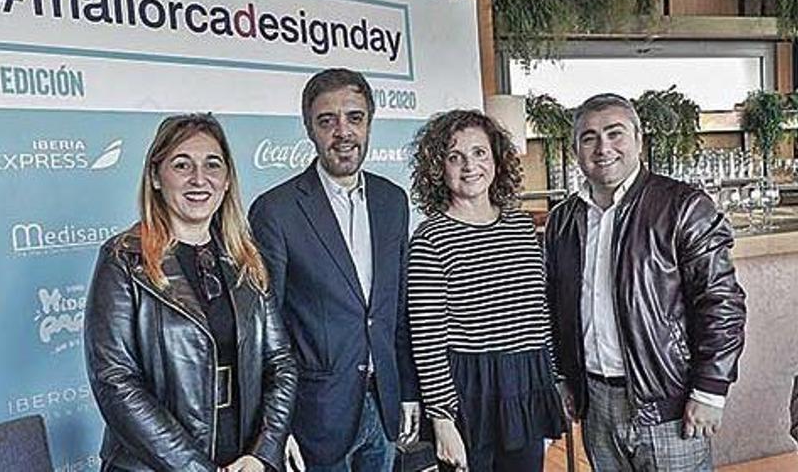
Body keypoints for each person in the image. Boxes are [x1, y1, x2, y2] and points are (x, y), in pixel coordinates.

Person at [545, 93, 747, 471]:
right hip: (596, 402)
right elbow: (553, 308)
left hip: (669, 402)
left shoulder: (683, 206)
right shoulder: (562, 220)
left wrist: (710, 389)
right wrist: (562, 377)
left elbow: (721, 302)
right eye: (589, 137)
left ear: (638, 139)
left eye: (614, 133)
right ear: (576, 150)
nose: (603, 147)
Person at [84, 113, 297, 472]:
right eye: (182, 165)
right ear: (155, 176)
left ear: (227, 179)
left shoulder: (245, 258)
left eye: (212, 165)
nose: (199, 179)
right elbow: (115, 382)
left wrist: (263, 453)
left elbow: (281, 363)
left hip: (242, 460)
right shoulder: (123, 259)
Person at [248, 68, 420, 471]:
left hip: (385, 407)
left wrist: (408, 391)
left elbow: (398, 311)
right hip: (313, 418)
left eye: (354, 117)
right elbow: (263, 328)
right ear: (310, 130)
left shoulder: (392, 201)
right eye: (327, 121)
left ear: (369, 123)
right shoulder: (276, 210)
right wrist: (275, 426)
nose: (343, 132)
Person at [406, 109, 564, 472]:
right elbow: (427, 337)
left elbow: (540, 314)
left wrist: (553, 381)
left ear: (496, 160)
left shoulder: (521, 227)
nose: (469, 166)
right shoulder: (430, 239)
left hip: (526, 381)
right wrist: (443, 419)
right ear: (438, 168)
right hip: (469, 392)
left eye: (479, 153)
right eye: (454, 156)